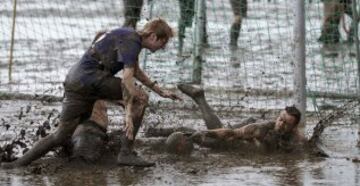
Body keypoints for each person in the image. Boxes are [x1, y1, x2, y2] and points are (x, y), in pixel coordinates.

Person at [1, 18, 181, 169]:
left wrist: (160, 90)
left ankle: (16, 165)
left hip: (75, 80)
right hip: (91, 79)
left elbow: (135, 70)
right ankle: (126, 153)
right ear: (153, 36)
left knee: (61, 135)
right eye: (163, 43)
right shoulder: (132, 41)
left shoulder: (128, 37)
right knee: (141, 98)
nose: (162, 48)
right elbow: (127, 79)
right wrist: (128, 113)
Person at [167, 84, 306, 153]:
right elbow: (231, 133)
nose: (281, 124)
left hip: (251, 135)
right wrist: (205, 134)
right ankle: (199, 99)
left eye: (286, 124)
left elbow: (310, 147)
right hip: (244, 132)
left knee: (208, 134)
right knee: (215, 141)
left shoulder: (297, 139)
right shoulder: (262, 129)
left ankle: (199, 98)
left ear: (293, 127)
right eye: (280, 119)